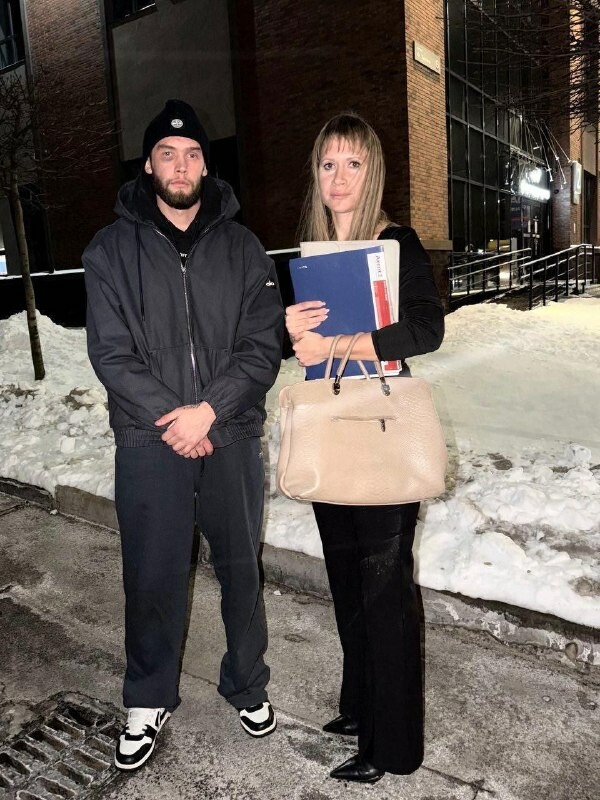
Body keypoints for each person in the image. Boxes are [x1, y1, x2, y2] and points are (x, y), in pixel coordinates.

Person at [83, 99, 284, 771]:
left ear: (205, 164)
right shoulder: (110, 250)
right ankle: (147, 697)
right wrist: (177, 417)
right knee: (152, 573)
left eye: (192, 154)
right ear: (148, 166)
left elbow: (261, 347)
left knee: (241, 568)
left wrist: (209, 413)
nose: (180, 165)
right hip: (150, 441)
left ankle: (247, 682)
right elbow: (112, 354)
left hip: (230, 433)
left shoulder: (244, 247)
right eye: (166, 154)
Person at [284, 112, 444, 783]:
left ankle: (392, 747)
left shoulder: (396, 242)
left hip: (382, 429)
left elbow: (427, 329)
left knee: (384, 590)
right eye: (328, 164)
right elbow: (291, 347)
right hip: (331, 424)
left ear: (371, 169)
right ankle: (361, 706)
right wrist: (290, 328)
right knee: (347, 581)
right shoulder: (310, 254)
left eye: (353, 162)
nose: (339, 177)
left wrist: (343, 345)